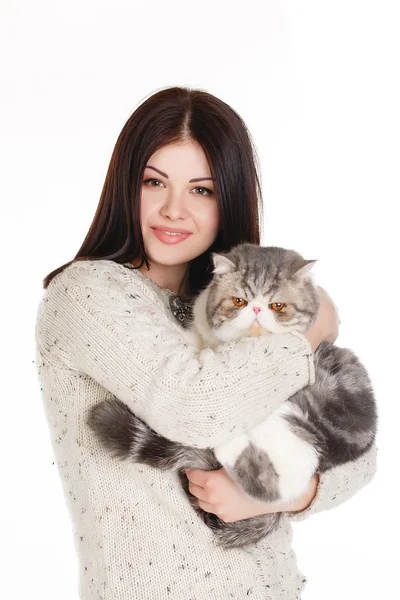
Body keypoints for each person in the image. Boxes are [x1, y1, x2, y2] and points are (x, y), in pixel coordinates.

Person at [35, 86, 377, 600]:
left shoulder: (235, 305)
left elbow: (359, 455)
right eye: (154, 182)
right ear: (124, 185)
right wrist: (312, 329)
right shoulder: (88, 295)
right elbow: (195, 407)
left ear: (229, 199)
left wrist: (276, 496)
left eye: (202, 190)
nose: (174, 209)